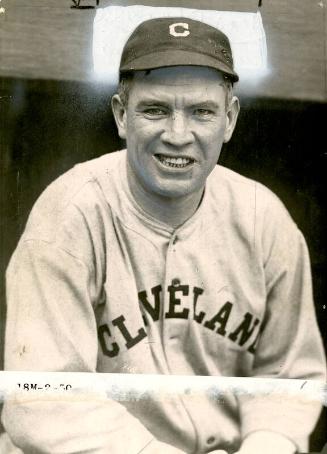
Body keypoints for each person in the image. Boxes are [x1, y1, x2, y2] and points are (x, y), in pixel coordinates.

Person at [2, 16, 326, 454]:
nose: (178, 135)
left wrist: (266, 444)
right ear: (121, 115)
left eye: (202, 112)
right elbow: (40, 395)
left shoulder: (263, 219)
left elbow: (292, 376)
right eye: (155, 109)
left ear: (229, 120)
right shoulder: (70, 215)